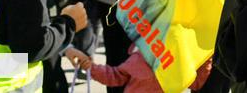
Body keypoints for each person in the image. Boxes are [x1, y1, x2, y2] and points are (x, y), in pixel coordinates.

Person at [68, 45, 213, 92]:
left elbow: (196, 82)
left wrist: (206, 58)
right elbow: (116, 76)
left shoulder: (180, 61)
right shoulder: (140, 55)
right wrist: (91, 68)